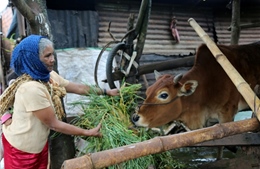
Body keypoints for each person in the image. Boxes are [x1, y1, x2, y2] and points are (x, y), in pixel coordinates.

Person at [0, 34, 119, 169]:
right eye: (47, 56)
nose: (52, 60)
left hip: (38, 145)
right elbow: (54, 124)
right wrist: (87, 132)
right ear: (33, 59)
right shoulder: (31, 89)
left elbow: (78, 88)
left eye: (52, 54)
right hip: (20, 150)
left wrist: (105, 92)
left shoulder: (48, 77)